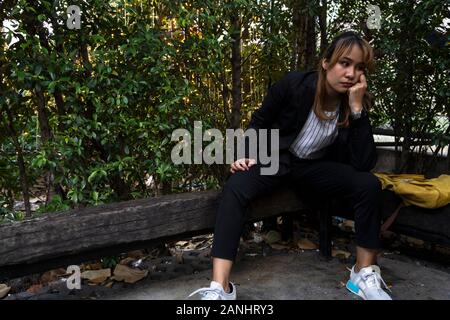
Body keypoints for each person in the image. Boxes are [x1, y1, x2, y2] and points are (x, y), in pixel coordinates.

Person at [188, 31, 392, 300]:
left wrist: (356, 110)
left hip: (314, 169)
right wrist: (246, 153)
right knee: (236, 186)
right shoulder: (295, 85)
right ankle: (220, 288)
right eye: (344, 63)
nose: (351, 73)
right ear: (326, 62)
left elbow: (363, 164)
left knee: (369, 184)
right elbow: (260, 121)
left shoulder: (352, 104)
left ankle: (362, 273)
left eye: (359, 68)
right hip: (278, 159)